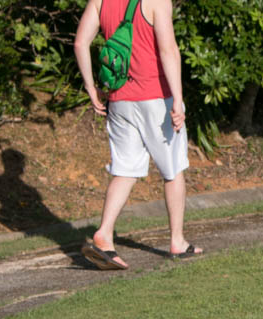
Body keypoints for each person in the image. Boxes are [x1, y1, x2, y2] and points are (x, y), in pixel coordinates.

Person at [74, 0, 202, 270]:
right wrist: (178, 99)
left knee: (125, 169)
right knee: (173, 169)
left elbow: (80, 43)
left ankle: (104, 234)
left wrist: (91, 88)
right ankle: (177, 241)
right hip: (155, 97)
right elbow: (168, 50)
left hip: (119, 99)